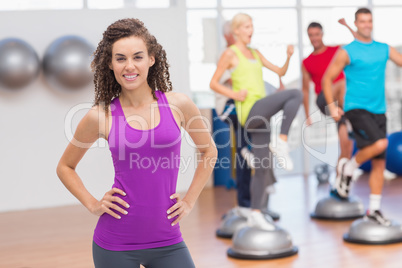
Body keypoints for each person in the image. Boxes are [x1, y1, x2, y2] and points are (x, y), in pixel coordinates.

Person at [56, 18, 217, 268]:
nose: (129, 66)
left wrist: (190, 200)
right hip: (114, 243)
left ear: (151, 59)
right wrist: (93, 203)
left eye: (137, 57)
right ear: (110, 63)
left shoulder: (179, 105)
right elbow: (65, 166)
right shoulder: (101, 116)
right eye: (120, 58)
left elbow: (208, 150)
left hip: (168, 241)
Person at [210, 13, 302, 228]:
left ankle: (256, 212)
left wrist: (288, 57)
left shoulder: (255, 53)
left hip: (263, 115)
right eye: (247, 26)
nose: (251, 30)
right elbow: (214, 83)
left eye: (252, 26)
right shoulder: (230, 54)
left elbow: (280, 71)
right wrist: (233, 94)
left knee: (261, 166)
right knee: (296, 94)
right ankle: (282, 141)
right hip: (250, 111)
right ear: (237, 31)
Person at [322, 8, 402, 225]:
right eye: (362, 21)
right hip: (356, 108)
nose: (366, 24)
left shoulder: (383, 48)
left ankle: (373, 210)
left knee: (379, 164)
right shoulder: (347, 51)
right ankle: (348, 168)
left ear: (372, 23)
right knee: (381, 144)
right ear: (356, 24)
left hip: (379, 111)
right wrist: (331, 106)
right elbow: (327, 79)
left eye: (369, 21)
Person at [302, 21, 355, 170]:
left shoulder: (336, 50)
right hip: (324, 100)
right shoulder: (306, 62)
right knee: (342, 83)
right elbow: (305, 90)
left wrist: (348, 26)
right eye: (311, 35)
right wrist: (307, 115)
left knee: (346, 146)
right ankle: (352, 116)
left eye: (317, 34)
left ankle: (339, 183)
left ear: (322, 34)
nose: (314, 38)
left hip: (340, 104)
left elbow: (358, 44)